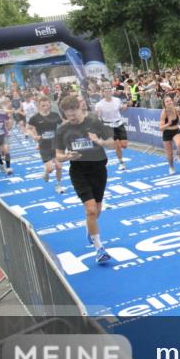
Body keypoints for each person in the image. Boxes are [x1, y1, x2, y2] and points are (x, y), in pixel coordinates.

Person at [54, 95, 116, 264]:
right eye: (67, 113)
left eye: (73, 111)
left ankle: (90, 228)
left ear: (80, 108)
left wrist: (100, 141)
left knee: (97, 209)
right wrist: (67, 156)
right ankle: (99, 249)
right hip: (78, 171)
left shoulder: (94, 122)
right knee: (90, 210)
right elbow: (58, 156)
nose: (71, 116)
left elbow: (112, 143)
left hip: (98, 169)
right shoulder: (62, 129)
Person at [26, 96, 66, 193]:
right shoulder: (35, 118)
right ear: (39, 106)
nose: (45, 107)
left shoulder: (55, 115)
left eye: (47, 105)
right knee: (50, 169)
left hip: (56, 145)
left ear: (49, 105)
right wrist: (34, 136)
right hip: (44, 147)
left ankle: (59, 185)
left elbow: (63, 124)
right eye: (43, 106)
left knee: (59, 167)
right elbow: (28, 129)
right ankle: (46, 172)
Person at [94, 86, 128, 171]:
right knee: (117, 146)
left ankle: (118, 147)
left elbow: (121, 107)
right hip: (109, 126)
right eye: (106, 91)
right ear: (102, 93)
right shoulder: (99, 105)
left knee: (124, 145)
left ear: (111, 92)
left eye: (109, 91)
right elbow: (97, 117)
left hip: (119, 124)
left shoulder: (117, 100)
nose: (108, 92)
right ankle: (121, 163)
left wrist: (125, 106)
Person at [158, 94, 180, 174]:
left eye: (170, 101)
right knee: (169, 155)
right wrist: (168, 124)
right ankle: (171, 167)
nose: (169, 102)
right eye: (167, 101)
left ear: (172, 101)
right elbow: (160, 128)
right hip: (167, 132)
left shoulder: (177, 109)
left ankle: (178, 154)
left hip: (176, 130)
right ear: (164, 104)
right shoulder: (164, 112)